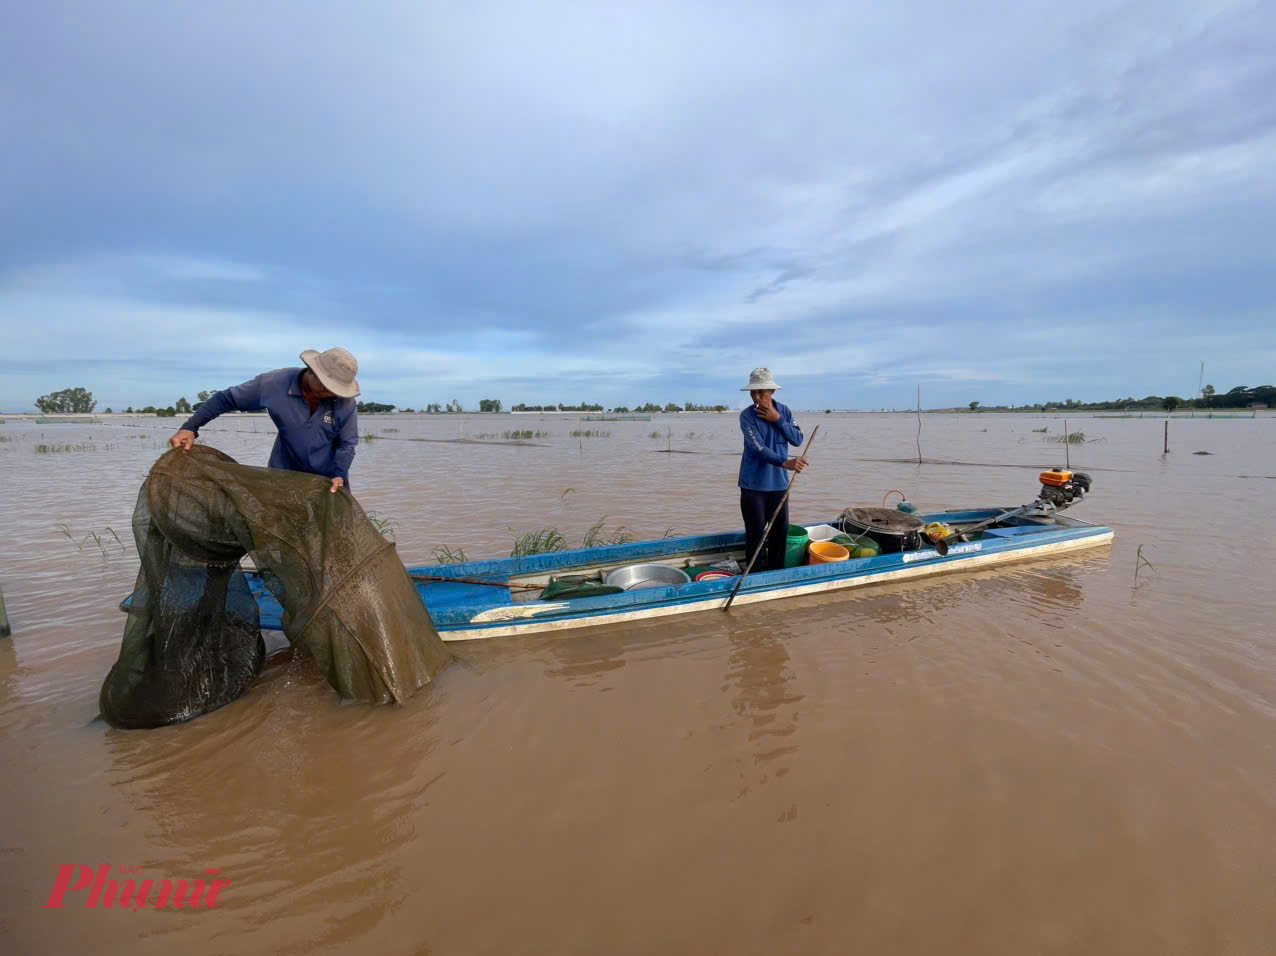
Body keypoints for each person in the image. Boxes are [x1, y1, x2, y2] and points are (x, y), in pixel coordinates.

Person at [168, 347, 361, 493]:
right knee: (282, 531)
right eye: (327, 386)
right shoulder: (273, 384)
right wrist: (190, 427)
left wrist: (339, 474)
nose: (330, 394)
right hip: (283, 474)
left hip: (330, 480)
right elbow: (226, 399)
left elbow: (347, 444)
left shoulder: (345, 403)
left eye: (336, 389)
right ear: (312, 370)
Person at [738, 367, 807, 571]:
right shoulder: (746, 417)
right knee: (755, 535)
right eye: (753, 392)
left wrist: (777, 419)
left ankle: (776, 575)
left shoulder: (784, 411)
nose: (757, 397)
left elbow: (797, 439)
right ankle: (754, 576)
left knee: (779, 534)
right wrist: (785, 462)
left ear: (772, 391)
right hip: (753, 487)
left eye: (762, 392)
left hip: (779, 486)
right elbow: (758, 448)